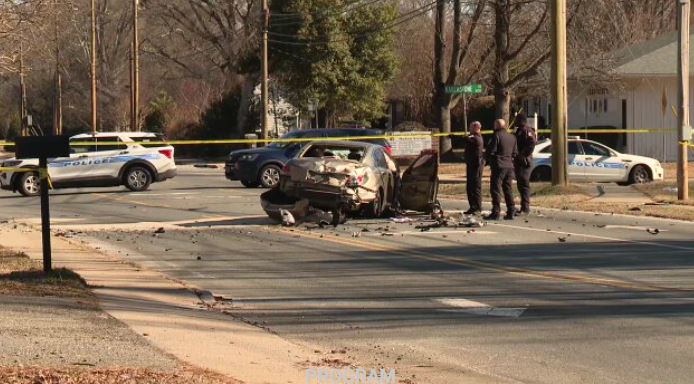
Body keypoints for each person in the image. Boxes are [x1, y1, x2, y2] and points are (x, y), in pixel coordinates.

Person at [485, 119, 517, 221]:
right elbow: (515, 153)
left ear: (496, 125)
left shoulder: (496, 136)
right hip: (509, 166)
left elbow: (491, 151)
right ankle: (511, 211)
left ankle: (496, 212)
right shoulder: (512, 137)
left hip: (499, 165)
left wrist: (489, 160)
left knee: (496, 189)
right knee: (508, 189)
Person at [513, 114, 537, 215]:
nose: (515, 122)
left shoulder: (528, 131)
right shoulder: (519, 131)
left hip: (525, 161)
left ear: (522, 121)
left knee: (524, 184)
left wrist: (523, 155)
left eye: (517, 120)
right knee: (520, 184)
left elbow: (532, 144)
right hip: (518, 160)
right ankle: (523, 207)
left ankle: (525, 208)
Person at [464, 121, 484, 215]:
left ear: (476, 127)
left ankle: (477, 207)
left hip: (476, 165)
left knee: (475, 186)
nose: (469, 129)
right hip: (471, 164)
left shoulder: (477, 138)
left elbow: (470, 140)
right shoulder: (472, 137)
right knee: (470, 187)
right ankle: (472, 206)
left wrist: (466, 137)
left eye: (471, 127)